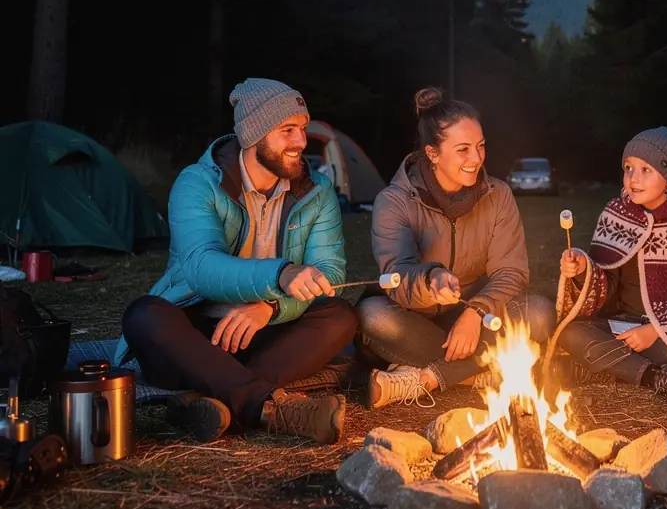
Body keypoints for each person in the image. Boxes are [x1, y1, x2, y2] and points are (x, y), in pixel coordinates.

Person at [117, 79, 358, 444]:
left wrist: (270, 306)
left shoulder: (317, 192)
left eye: (303, 129)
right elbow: (201, 267)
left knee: (340, 315)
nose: (301, 142)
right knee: (144, 316)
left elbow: (330, 272)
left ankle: (212, 397)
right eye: (287, 130)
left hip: (266, 329)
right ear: (252, 135)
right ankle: (267, 406)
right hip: (197, 332)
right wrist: (281, 274)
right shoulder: (197, 184)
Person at [357, 87, 556, 407]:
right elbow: (398, 273)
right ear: (432, 153)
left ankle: (425, 379)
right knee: (373, 317)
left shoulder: (498, 195)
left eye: (480, 146)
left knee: (539, 313)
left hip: (477, 318)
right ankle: (480, 371)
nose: (476, 159)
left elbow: (512, 271)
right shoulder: (394, 201)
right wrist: (431, 280)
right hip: (414, 322)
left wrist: (476, 311)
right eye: (463, 149)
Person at [553, 128, 667, 404]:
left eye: (646, 170)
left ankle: (610, 368)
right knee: (569, 332)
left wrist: (655, 330)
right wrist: (584, 270)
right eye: (628, 167)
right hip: (622, 327)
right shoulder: (616, 214)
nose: (633, 178)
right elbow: (605, 287)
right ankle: (658, 377)